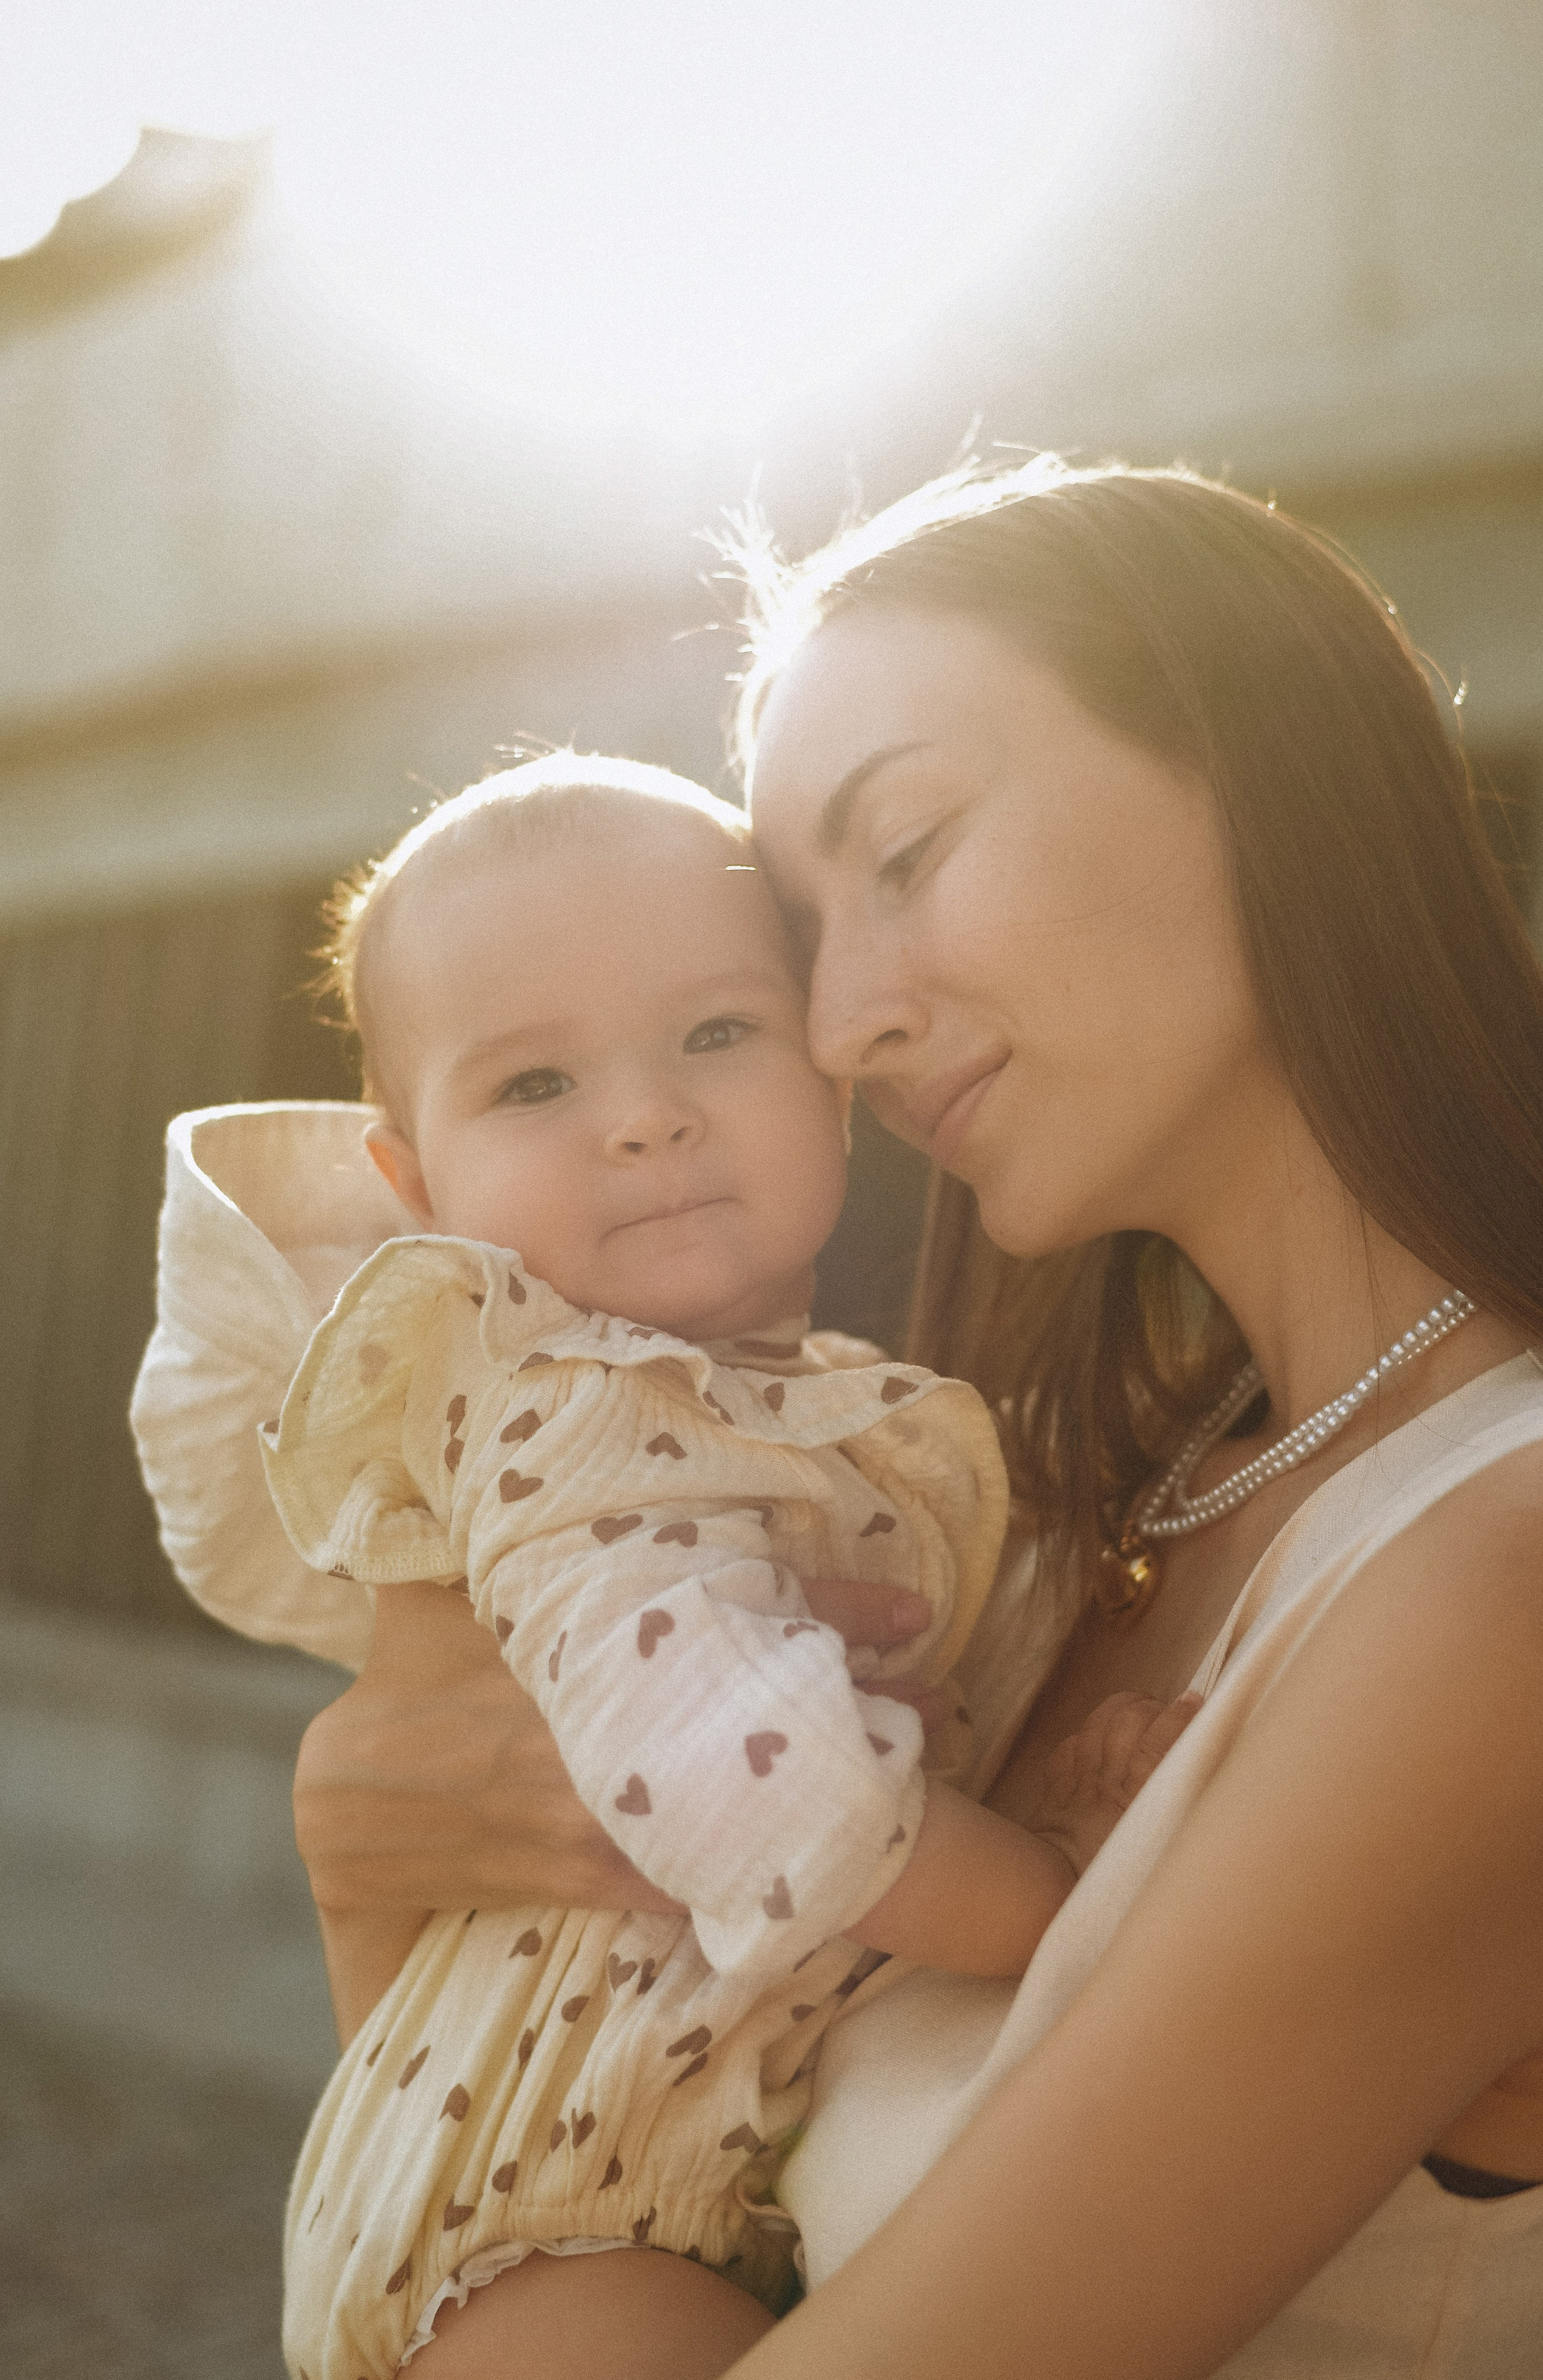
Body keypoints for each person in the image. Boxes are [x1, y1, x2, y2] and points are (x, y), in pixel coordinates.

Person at [269, 458, 1543, 2378]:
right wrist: (371, 1859)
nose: (844, 1019)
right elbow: (517, 2174)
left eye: (908, 849)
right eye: (803, 933)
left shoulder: (1497, 1584)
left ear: (1248, 757)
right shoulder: (1035, 1517)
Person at [132, 751, 1199, 2380]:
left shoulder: (813, 1407)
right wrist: (1065, 1887)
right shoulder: (557, 1414)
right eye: (534, 1085)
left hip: (684, 2179)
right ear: (413, 1189)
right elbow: (760, 1792)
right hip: (547, 2238)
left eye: (716, 1033)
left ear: (831, 1077)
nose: (646, 1114)